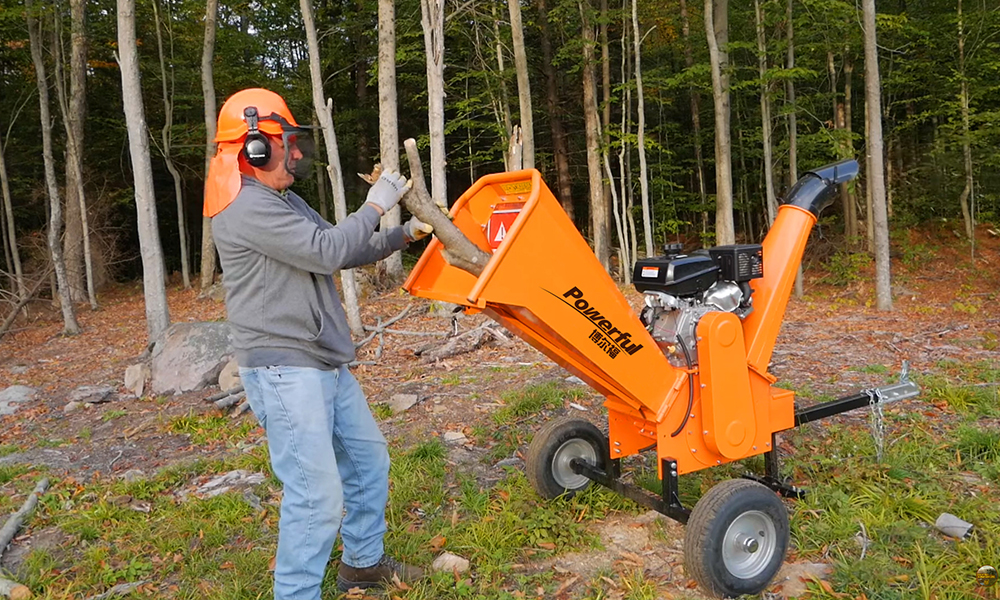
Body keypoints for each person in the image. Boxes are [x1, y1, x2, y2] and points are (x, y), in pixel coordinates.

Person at [204, 88, 430, 599]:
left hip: (320, 359)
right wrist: (375, 205)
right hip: (284, 368)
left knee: (368, 462)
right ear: (255, 147)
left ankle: (362, 564)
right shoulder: (244, 207)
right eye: (287, 143)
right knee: (315, 496)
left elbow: (341, 248)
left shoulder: (282, 201)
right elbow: (327, 251)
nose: (297, 152)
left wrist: (405, 234)